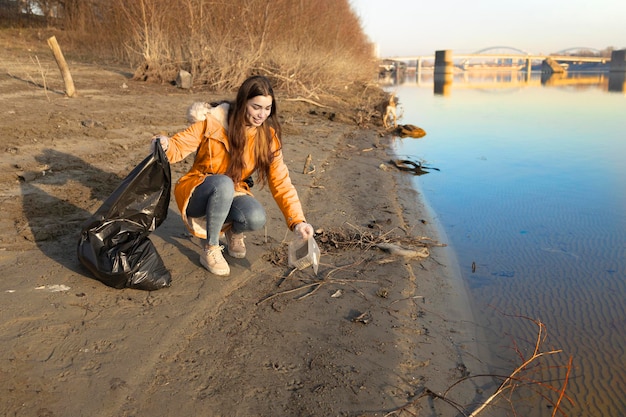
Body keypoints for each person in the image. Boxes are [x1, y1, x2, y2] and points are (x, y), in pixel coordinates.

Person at [152, 75, 314, 276]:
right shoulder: (212, 123)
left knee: (255, 217)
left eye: (267, 108)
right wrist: (165, 144)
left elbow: (281, 181)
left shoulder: (267, 138)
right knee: (223, 183)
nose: (261, 115)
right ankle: (210, 248)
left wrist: (298, 221)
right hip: (198, 191)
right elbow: (178, 146)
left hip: (233, 191)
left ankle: (233, 232)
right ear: (243, 102)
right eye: (256, 107)